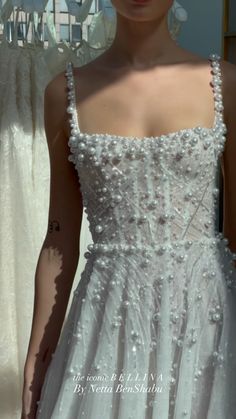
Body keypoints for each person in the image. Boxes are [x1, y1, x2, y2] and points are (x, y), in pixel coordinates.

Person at [21, 0, 236, 418]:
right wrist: (38, 353)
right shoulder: (63, 93)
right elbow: (59, 234)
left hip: (205, 322)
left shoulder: (225, 84)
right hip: (108, 325)